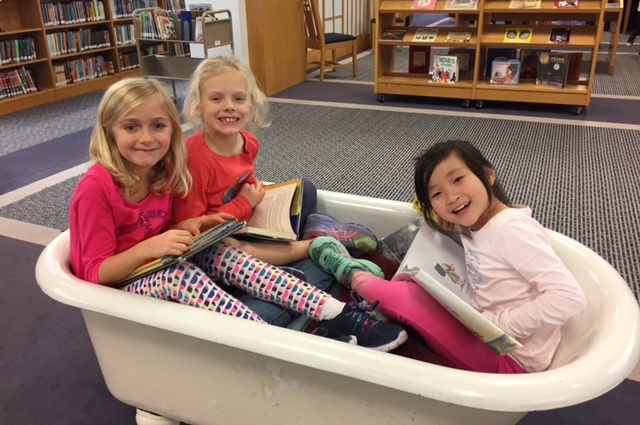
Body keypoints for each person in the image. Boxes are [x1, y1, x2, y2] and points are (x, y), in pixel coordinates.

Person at [68, 77, 408, 351]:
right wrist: (151, 247)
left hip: (160, 264)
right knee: (181, 274)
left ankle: (335, 315)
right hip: (123, 289)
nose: (146, 138)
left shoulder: (161, 173)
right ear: (109, 131)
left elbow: (164, 227)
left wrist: (192, 225)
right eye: (131, 127)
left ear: (172, 130)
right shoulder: (96, 188)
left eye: (158, 126)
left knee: (220, 250)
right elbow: (94, 273)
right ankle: (273, 343)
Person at [313, 140, 587, 373]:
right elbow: (433, 207)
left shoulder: (510, 230)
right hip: (487, 327)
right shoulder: (478, 223)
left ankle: (349, 272)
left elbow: (569, 298)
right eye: (438, 194)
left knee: (400, 297)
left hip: (512, 356)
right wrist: (445, 215)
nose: (452, 196)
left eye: (458, 179)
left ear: (488, 175)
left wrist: (501, 324)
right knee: (410, 281)